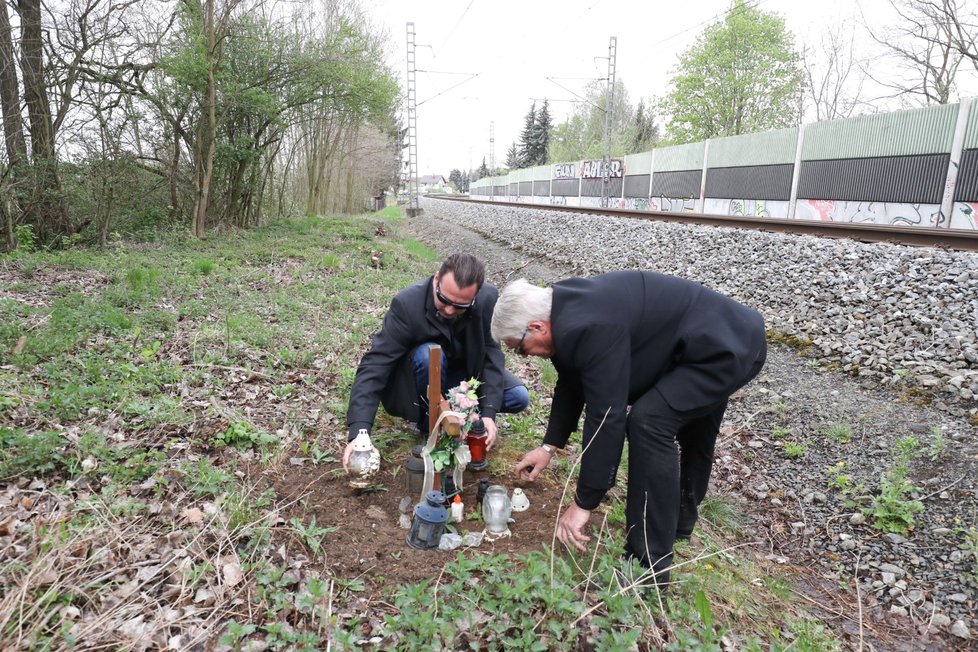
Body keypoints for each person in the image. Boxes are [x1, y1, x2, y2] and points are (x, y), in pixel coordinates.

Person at [491, 271, 767, 587]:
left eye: (521, 349)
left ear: (537, 326)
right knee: (685, 421)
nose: (526, 356)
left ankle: (645, 570)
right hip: (710, 339)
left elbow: (607, 416)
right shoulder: (563, 309)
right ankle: (677, 526)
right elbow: (572, 380)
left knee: (650, 422)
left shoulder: (588, 326)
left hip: (727, 347)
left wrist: (583, 504)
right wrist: (549, 446)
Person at [343, 253, 529, 470]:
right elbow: (375, 365)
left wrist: (488, 414)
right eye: (445, 300)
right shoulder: (407, 304)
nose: (450, 310)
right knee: (430, 354)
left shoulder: (488, 300)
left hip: (464, 375)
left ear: (476, 296)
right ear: (436, 280)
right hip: (419, 377)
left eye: (460, 306)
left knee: (517, 397)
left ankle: (466, 418)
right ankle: (429, 427)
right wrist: (359, 432)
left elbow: (491, 355)